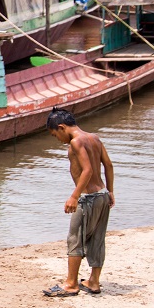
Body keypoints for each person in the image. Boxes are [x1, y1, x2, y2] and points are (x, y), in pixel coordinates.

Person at [44, 108, 114, 297]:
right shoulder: (94, 138)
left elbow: (87, 170)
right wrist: (111, 191)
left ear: (61, 127)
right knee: (97, 238)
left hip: (88, 198)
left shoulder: (76, 142)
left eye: (55, 135)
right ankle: (94, 281)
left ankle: (71, 283)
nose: (58, 139)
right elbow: (108, 165)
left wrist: (74, 196)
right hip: (102, 195)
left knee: (75, 238)